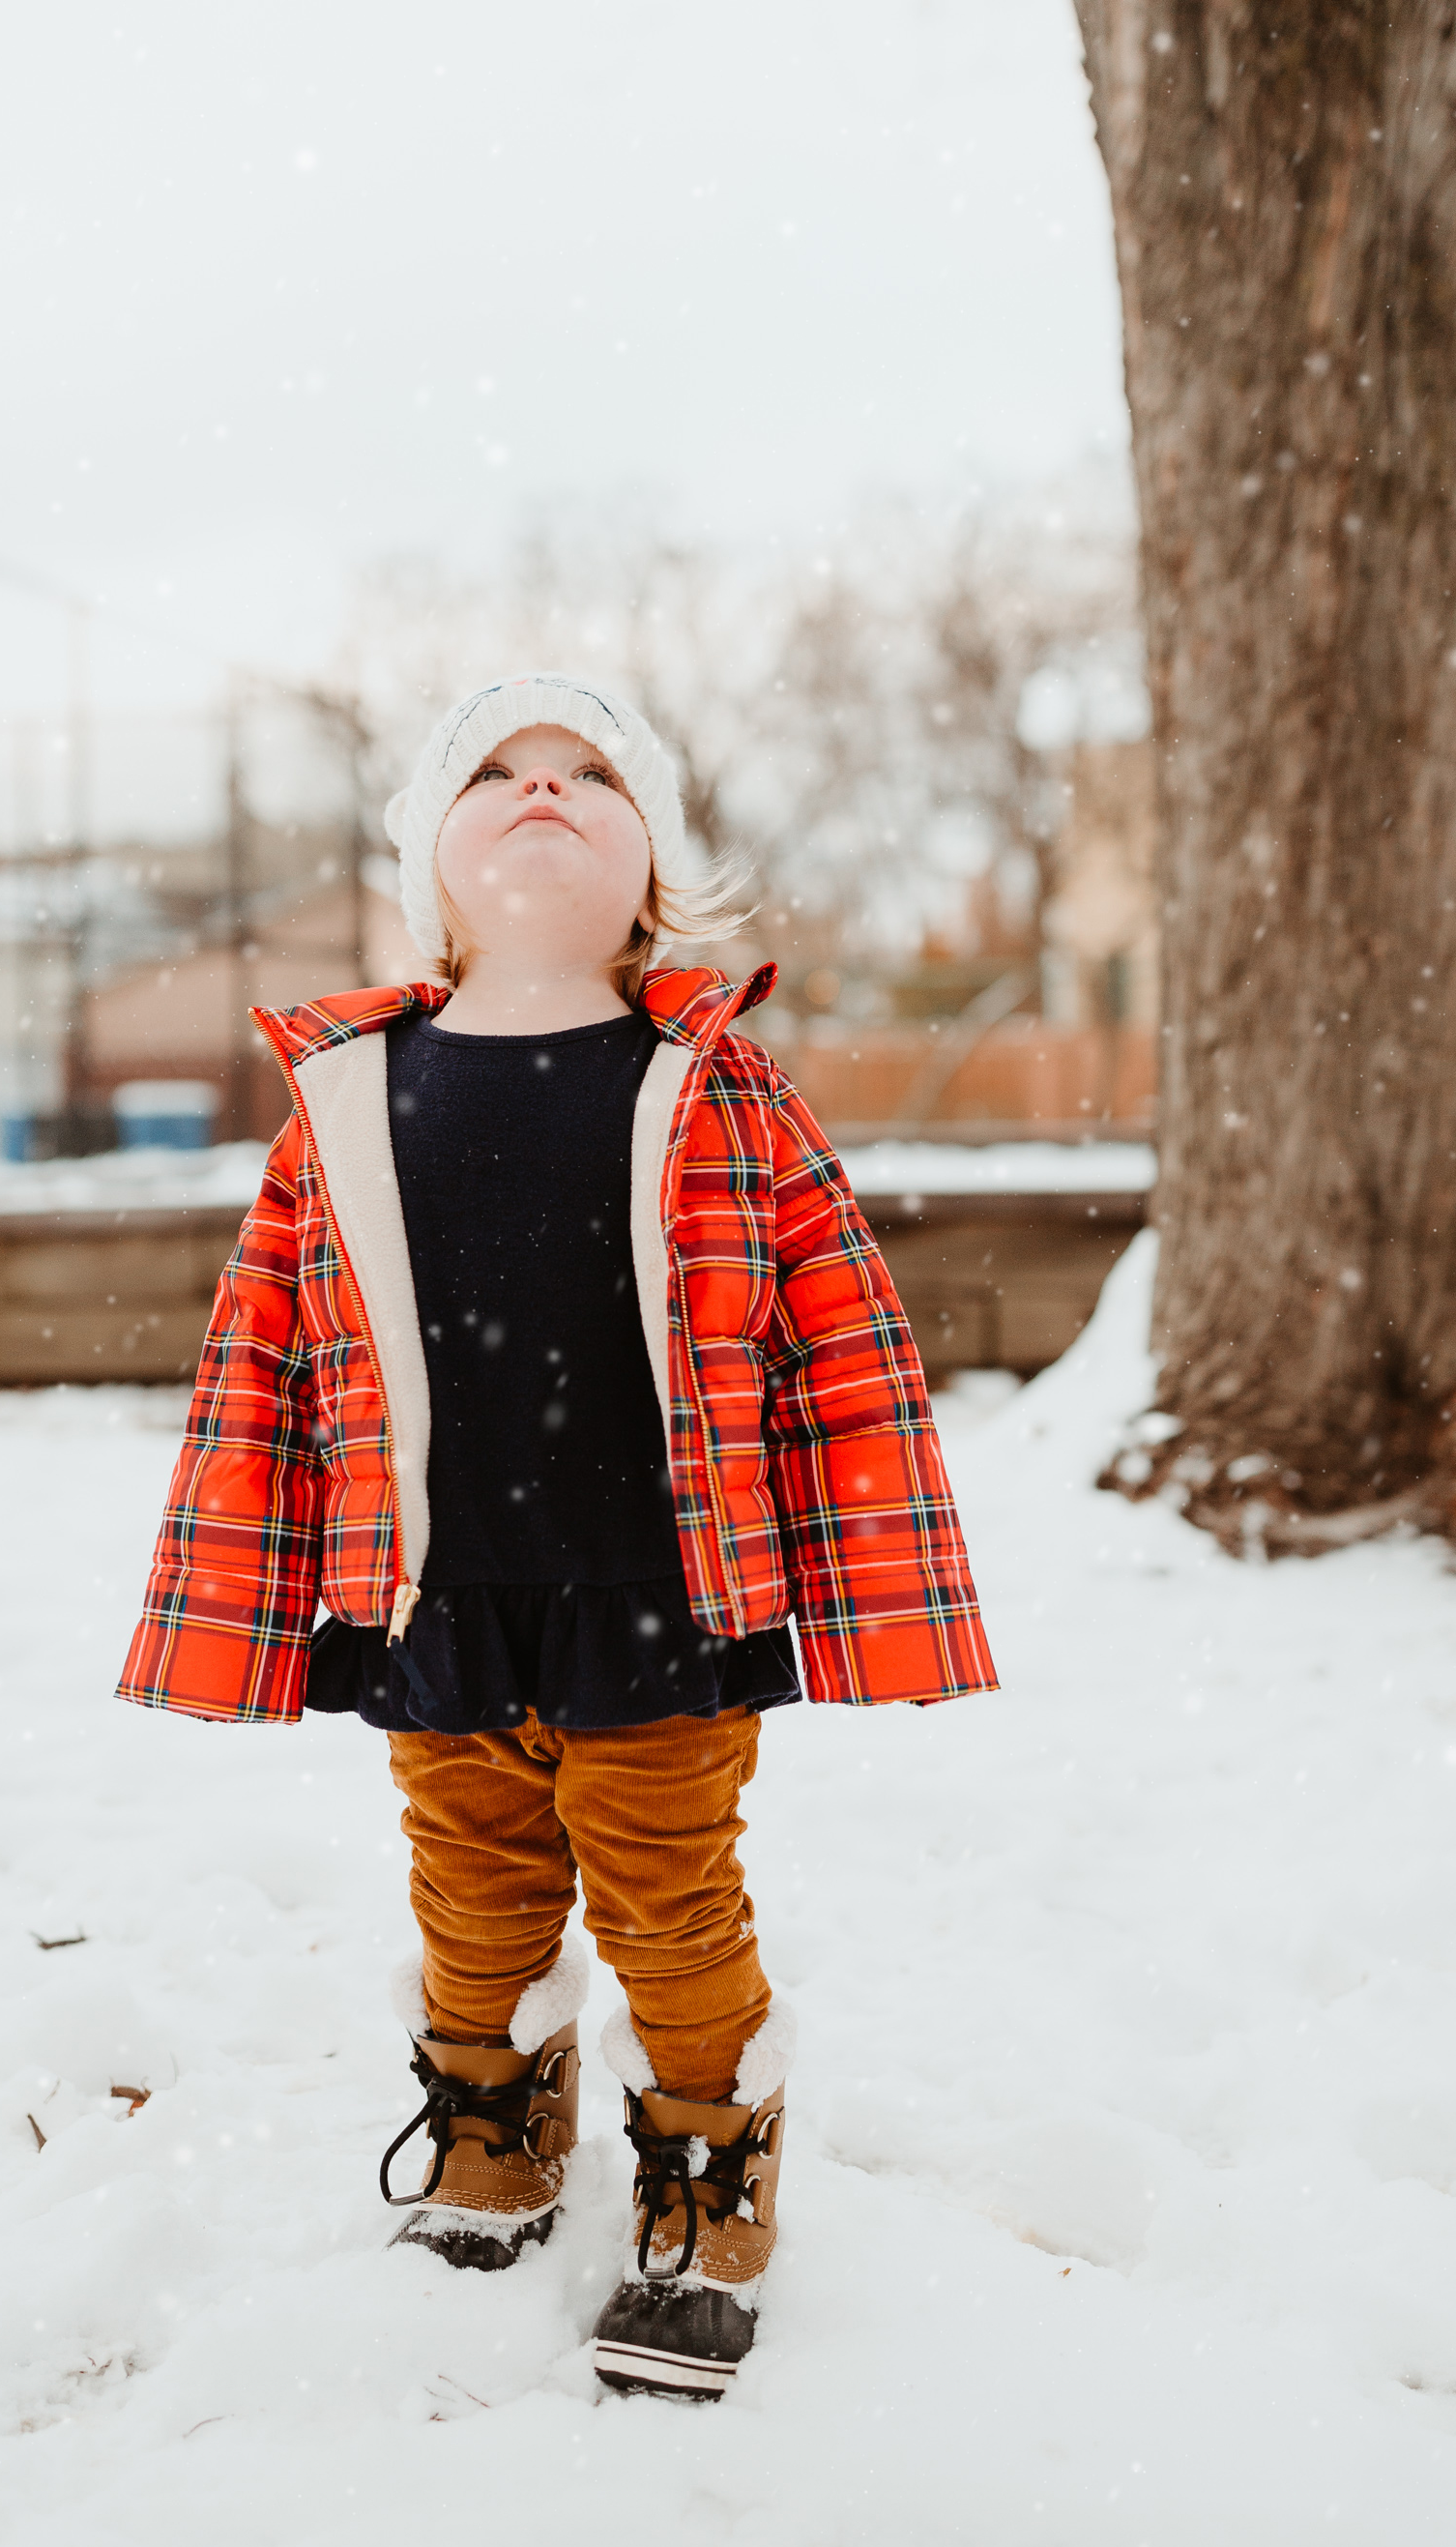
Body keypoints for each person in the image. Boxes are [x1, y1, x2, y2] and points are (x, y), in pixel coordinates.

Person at [118, 672, 997, 2402]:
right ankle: (496, 2140)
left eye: (588, 772)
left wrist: (853, 1573)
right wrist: (270, 1585)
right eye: (495, 775)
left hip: (657, 1586)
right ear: (430, 866)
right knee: (476, 1886)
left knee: (670, 1896)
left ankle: (706, 2181)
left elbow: (841, 1342)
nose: (542, 791)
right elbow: (269, 1354)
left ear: (650, 856)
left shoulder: (714, 1082)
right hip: (437, 1587)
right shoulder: (354, 1097)